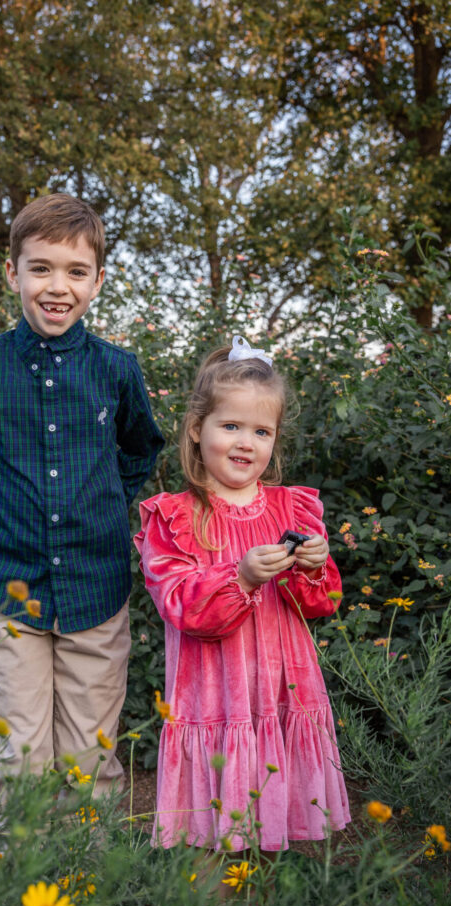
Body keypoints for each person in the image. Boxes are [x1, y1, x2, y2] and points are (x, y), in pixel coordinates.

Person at [0, 193, 164, 823]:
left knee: (91, 758)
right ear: (12, 273)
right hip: (8, 589)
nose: (58, 287)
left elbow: (143, 447)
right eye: (41, 269)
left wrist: (106, 502)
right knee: (21, 753)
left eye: (76, 272)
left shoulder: (117, 370)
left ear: (98, 281)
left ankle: (86, 886)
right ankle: (16, 885)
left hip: (95, 587)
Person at [134, 337, 350, 854]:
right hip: (215, 696)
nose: (245, 442)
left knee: (281, 827)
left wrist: (315, 569)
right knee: (215, 835)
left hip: (283, 694)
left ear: (275, 439)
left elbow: (320, 605)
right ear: (196, 429)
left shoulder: (293, 510)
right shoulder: (176, 516)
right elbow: (180, 604)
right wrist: (244, 577)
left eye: (260, 431)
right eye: (230, 426)